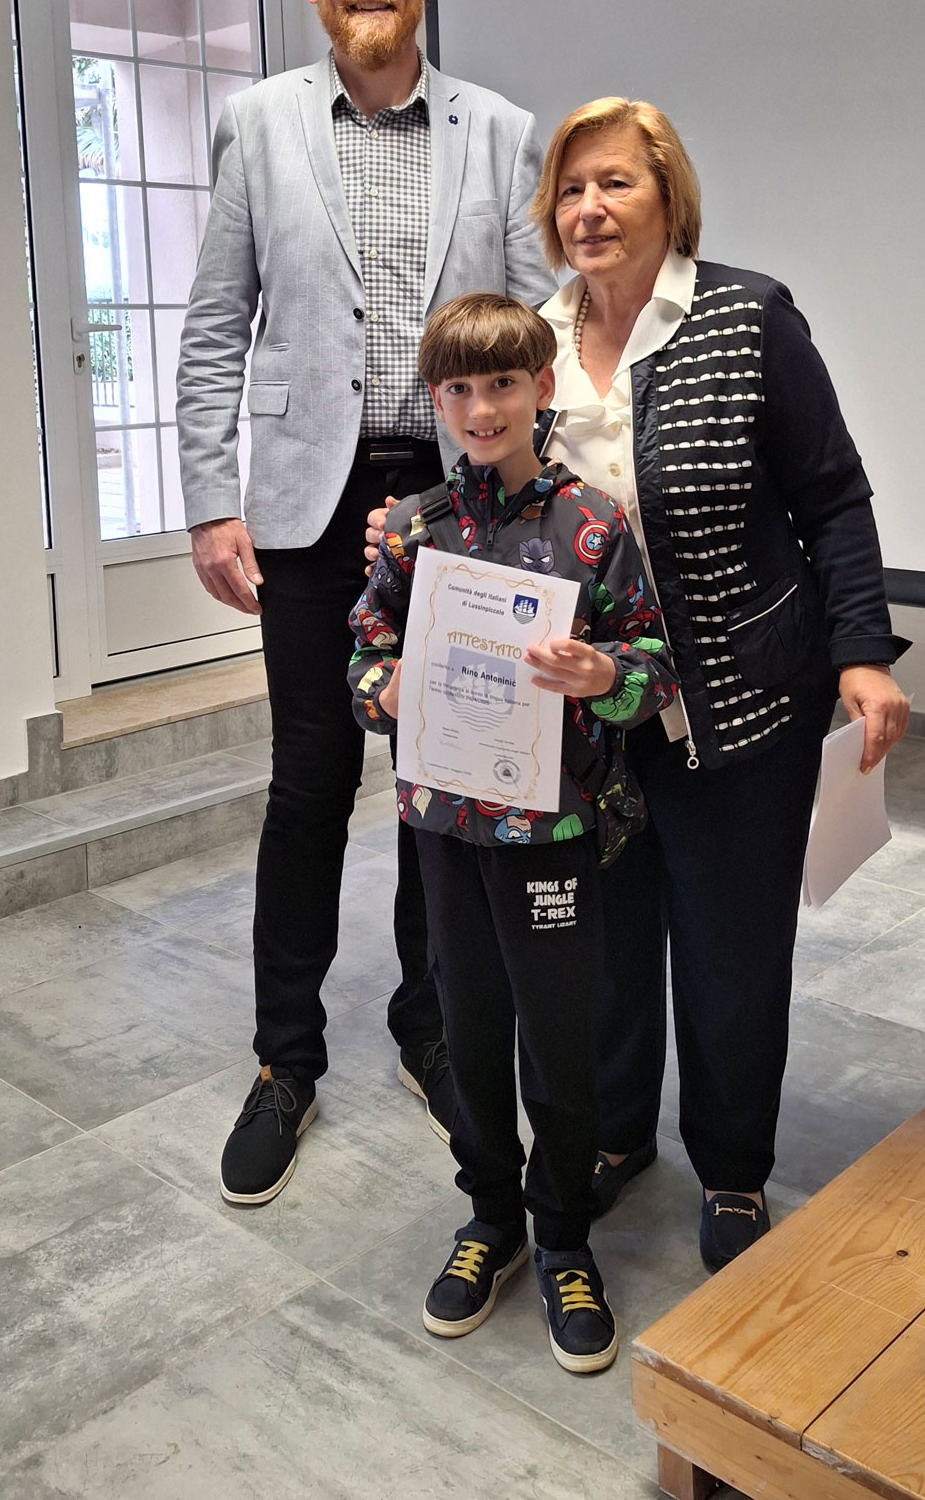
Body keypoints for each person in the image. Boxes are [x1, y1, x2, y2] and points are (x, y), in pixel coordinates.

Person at [176, 0, 553, 1207]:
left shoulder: (498, 132)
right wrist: (210, 498)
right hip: (308, 508)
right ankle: (285, 1059)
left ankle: (427, 1021)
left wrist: (537, 496)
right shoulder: (258, 123)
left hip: (459, 505)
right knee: (310, 785)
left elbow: (537, 331)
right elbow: (215, 321)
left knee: (435, 779)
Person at [527, 97, 911, 1274]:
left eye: (615, 183)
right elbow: (498, 505)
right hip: (590, 712)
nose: (590, 209)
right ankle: (616, 1135)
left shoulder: (749, 318)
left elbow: (832, 496)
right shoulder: (533, 341)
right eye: (570, 189)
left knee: (731, 950)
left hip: (740, 701)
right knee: (604, 941)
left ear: (669, 196)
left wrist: (860, 650)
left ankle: (733, 1166)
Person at [347, 293, 677, 1373]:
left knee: (559, 1039)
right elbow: (364, 655)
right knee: (472, 1026)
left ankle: (564, 1235)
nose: (481, 408)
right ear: (435, 400)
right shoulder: (414, 530)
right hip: (445, 828)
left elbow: (651, 666)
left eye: (502, 384)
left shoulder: (594, 527)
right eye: (459, 388)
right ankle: (492, 1216)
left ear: (543, 389)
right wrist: (388, 689)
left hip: (555, 834)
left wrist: (604, 674)